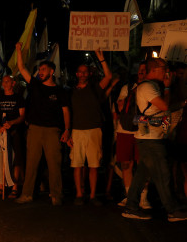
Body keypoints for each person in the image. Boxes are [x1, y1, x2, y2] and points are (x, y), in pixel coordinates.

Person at [122, 58, 187, 221]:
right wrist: (167, 87)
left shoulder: (151, 86)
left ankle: (131, 206)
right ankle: (172, 210)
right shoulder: (148, 86)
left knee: (141, 175)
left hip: (149, 137)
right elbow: (164, 107)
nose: (166, 71)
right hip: (150, 139)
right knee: (163, 173)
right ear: (155, 69)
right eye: (164, 68)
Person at [14, 42, 71, 206]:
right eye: (40, 70)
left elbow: (66, 111)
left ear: (52, 72)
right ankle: (27, 194)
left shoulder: (60, 91)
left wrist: (67, 130)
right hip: (35, 130)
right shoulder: (35, 85)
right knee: (31, 163)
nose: (40, 72)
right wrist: (18, 50)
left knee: (54, 163)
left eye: (44, 70)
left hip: (53, 131)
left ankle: (56, 195)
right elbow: (21, 67)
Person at [69, 50, 112, 206]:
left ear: (89, 74)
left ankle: (93, 195)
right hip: (77, 131)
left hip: (94, 130)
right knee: (77, 164)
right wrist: (67, 133)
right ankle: (80, 194)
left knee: (94, 164)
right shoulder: (71, 91)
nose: (82, 74)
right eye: (80, 72)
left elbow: (108, 77)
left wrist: (101, 59)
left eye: (85, 72)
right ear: (76, 74)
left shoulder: (95, 88)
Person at [115, 62, 150, 208]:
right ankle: (129, 195)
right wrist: (132, 94)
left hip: (144, 131)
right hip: (125, 130)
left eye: (144, 70)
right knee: (125, 164)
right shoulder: (128, 88)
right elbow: (121, 107)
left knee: (143, 164)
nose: (141, 72)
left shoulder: (152, 88)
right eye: (140, 70)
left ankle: (143, 198)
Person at [0, 75, 26, 197]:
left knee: (16, 159)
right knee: (2, 158)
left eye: (7, 81)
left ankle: (14, 187)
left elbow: (22, 116)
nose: (5, 84)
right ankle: (1, 186)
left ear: (13, 83)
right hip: (2, 133)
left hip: (15, 132)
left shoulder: (19, 98)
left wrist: (12, 122)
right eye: (3, 82)